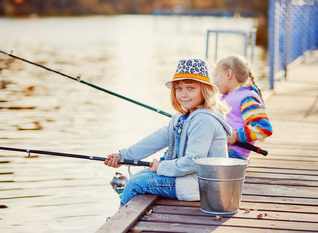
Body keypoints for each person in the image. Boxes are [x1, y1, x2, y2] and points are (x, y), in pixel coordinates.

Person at [104, 59, 232, 207]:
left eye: (191, 88)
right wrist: (123, 156)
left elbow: (192, 162)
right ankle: (125, 211)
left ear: (205, 90)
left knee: (134, 183)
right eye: (179, 89)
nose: (183, 94)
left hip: (202, 186)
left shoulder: (204, 120)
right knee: (139, 177)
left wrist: (161, 167)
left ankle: (119, 224)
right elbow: (156, 139)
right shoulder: (182, 118)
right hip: (185, 178)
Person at [214, 55, 273, 160]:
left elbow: (264, 128)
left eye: (217, 75)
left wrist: (236, 135)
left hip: (232, 154)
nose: (215, 81)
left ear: (228, 74)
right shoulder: (228, 96)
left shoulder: (246, 99)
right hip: (222, 150)